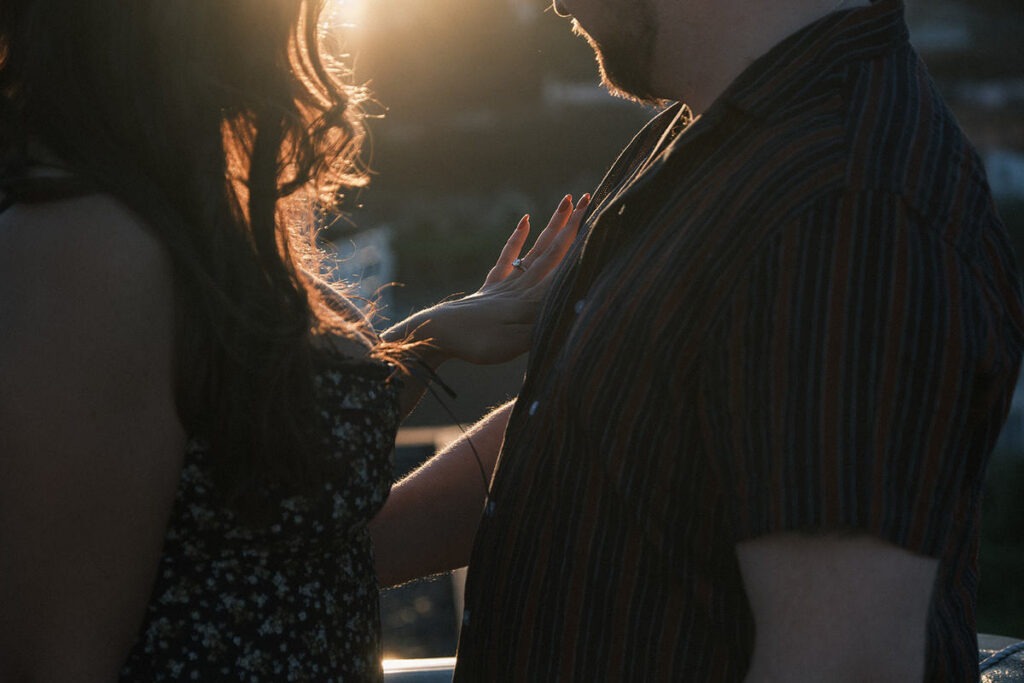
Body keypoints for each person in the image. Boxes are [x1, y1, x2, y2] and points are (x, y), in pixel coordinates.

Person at [370, 0, 1024, 679]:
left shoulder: (844, 209)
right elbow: (595, 423)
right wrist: (321, 556)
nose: (554, 2)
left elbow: (847, 662)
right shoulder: (714, 132)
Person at [0, 1, 588, 680]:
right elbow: (50, 658)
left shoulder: (186, 213)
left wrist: (431, 336)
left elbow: (245, 446)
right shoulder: (88, 249)